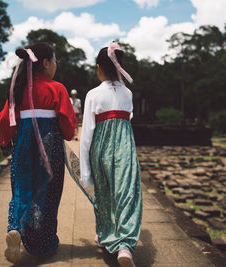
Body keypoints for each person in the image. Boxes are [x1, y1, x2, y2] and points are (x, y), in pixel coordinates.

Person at [0, 42, 77, 263]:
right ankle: (43, 242)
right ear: (45, 63)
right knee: (49, 192)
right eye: (55, 60)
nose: (56, 65)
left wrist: (5, 139)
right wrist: (69, 133)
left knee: (22, 187)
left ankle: (15, 227)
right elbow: (68, 123)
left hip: (23, 144)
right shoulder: (57, 88)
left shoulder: (18, 88)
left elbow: (5, 119)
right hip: (49, 146)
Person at [79, 42, 142, 267]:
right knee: (126, 195)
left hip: (101, 149)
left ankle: (105, 235)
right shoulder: (128, 93)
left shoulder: (93, 95)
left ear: (98, 68)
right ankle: (125, 245)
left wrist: (85, 170)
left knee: (104, 195)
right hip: (125, 147)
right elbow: (128, 119)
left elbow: (87, 132)